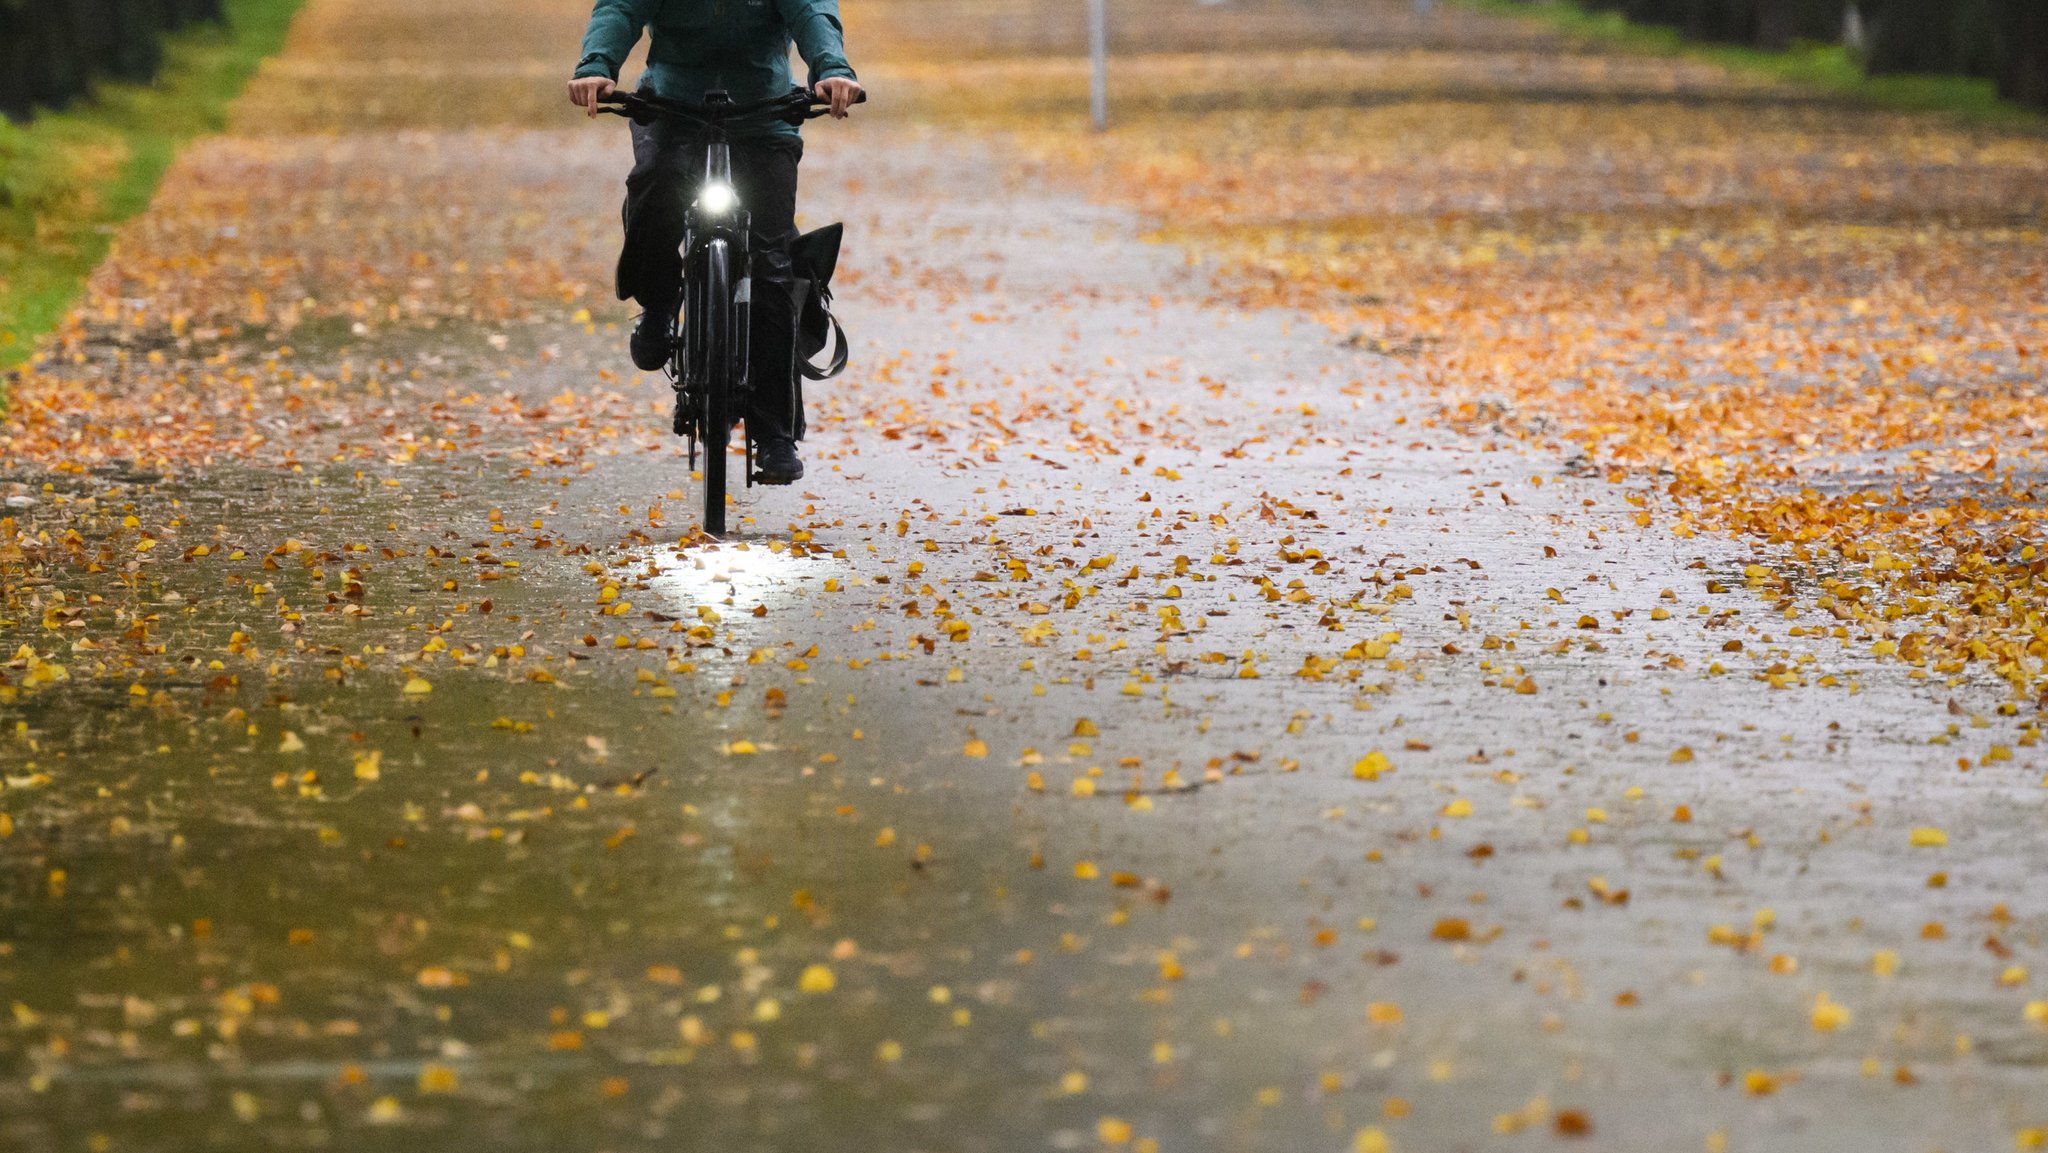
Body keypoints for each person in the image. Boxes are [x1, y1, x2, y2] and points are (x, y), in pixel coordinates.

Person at [568, 0, 862, 485]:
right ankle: (660, 306)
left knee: (770, 264)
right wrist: (597, 65)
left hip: (763, 115)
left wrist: (831, 69)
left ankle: (774, 436)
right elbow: (619, 9)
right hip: (672, 109)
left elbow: (811, 11)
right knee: (653, 192)